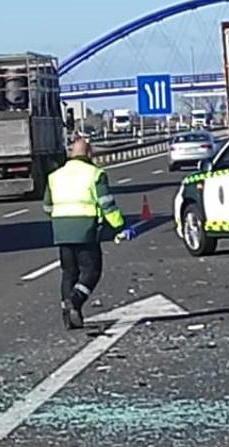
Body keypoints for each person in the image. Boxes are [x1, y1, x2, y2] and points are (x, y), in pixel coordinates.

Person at [43, 138, 134, 330]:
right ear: (90, 153)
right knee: (91, 271)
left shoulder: (54, 176)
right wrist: (120, 226)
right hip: (85, 229)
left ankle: (68, 317)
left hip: (61, 229)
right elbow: (107, 203)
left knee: (69, 272)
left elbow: (47, 206)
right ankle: (75, 301)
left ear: (70, 154)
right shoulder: (95, 174)